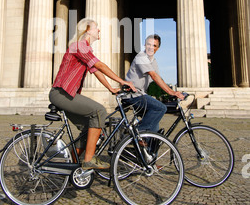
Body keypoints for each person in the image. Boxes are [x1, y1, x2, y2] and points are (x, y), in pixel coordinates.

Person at [49, 18, 136, 170]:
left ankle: (72, 166)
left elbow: (95, 71)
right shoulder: (79, 46)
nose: (99, 30)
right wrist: (122, 81)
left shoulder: (85, 49)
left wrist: (111, 88)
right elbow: (100, 65)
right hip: (61, 93)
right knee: (99, 111)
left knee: (87, 129)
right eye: (97, 28)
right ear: (88, 30)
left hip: (65, 94)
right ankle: (89, 159)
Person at [124, 34, 184, 133]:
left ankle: (148, 147)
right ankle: (137, 133)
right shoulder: (141, 57)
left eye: (154, 45)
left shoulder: (153, 60)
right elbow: (154, 76)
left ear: (158, 48)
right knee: (160, 108)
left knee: (154, 119)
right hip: (133, 95)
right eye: (149, 44)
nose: (151, 47)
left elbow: (158, 79)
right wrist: (171, 92)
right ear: (145, 45)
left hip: (139, 94)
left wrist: (169, 93)